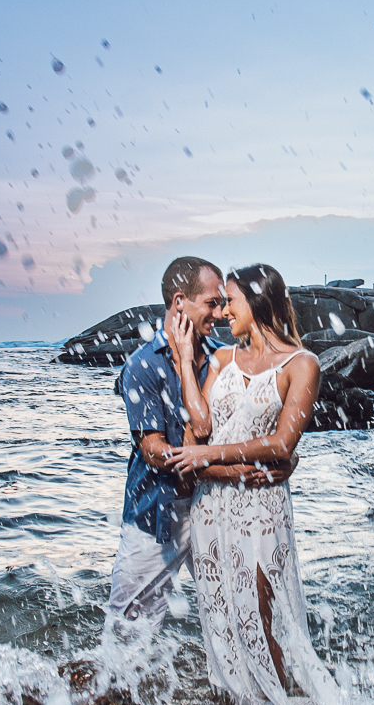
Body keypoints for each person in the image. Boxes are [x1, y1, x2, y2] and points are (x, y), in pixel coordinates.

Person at [165, 263, 346, 705]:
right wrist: (184, 360)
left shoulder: (302, 365)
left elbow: (282, 445)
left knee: (261, 616)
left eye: (231, 301)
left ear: (258, 301)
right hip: (211, 510)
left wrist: (209, 457)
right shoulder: (221, 360)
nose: (224, 311)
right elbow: (195, 432)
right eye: (222, 302)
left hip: (261, 509)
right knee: (221, 612)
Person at [108, 255, 289, 630]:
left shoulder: (223, 357)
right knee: (128, 630)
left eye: (223, 303)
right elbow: (153, 452)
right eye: (212, 303)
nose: (220, 313)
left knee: (236, 615)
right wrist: (228, 471)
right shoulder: (142, 366)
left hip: (218, 509)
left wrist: (286, 459)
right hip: (157, 513)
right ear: (179, 302)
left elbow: (259, 422)